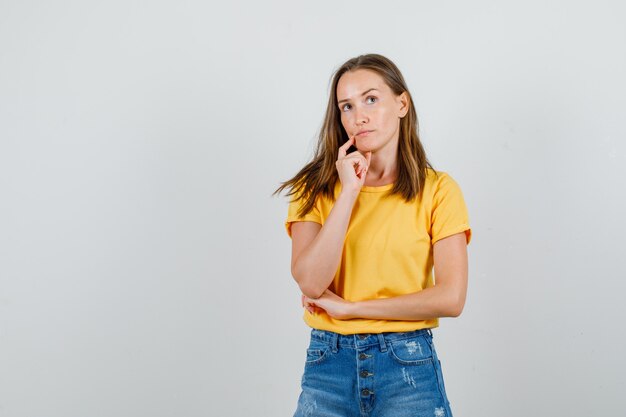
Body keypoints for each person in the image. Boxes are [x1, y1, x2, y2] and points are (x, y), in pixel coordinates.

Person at [273, 53, 472, 417]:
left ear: (402, 103)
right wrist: (349, 192)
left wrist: (353, 310)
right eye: (346, 106)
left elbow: (451, 297)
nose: (358, 116)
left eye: (370, 99)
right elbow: (311, 282)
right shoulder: (314, 188)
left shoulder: (439, 190)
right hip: (328, 365)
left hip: (408, 366)